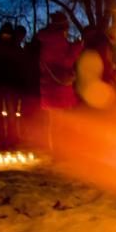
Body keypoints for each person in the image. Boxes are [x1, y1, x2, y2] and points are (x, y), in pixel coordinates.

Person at [35, 11, 83, 151]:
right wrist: (76, 48)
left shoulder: (47, 40)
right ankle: (59, 151)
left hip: (49, 86)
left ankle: (56, 149)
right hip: (58, 88)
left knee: (54, 122)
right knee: (59, 123)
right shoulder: (58, 41)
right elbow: (65, 62)